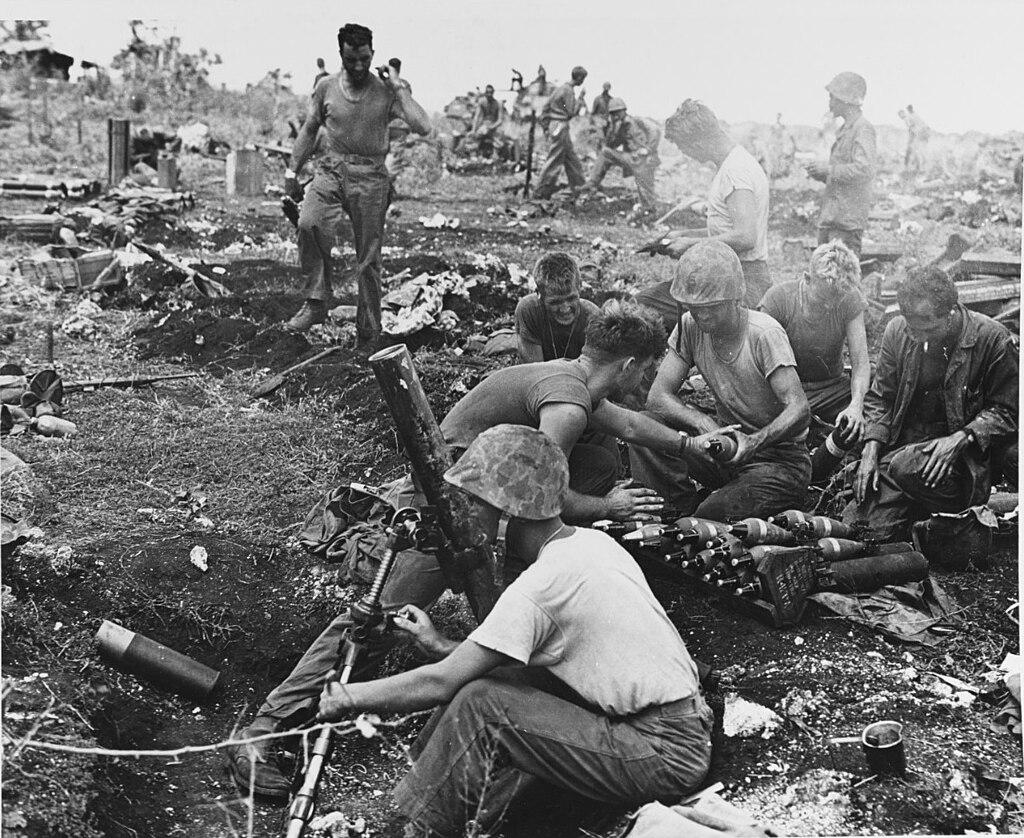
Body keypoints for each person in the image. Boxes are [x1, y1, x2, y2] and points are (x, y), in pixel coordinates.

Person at [228, 303, 704, 797]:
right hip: (455, 504)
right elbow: (538, 488)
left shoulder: (572, 381)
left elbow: (628, 426)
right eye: (649, 369)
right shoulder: (568, 403)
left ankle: (552, 703)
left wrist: (691, 447)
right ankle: (267, 732)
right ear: (628, 365)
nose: (651, 379)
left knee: (531, 594)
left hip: (479, 500)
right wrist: (608, 505)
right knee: (380, 616)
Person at [317, 424, 714, 838]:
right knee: (488, 687)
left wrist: (347, 696)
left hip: (662, 753)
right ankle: (420, 803)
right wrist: (437, 644)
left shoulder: (542, 584)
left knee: (484, 706)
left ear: (509, 510)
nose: (468, 513)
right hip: (678, 727)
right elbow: (526, 666)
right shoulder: (592, 545)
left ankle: (415, 829)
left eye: (475, 502)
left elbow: (441, 684)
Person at [630, 241, 811, 518]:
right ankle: (675, 510)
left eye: (711, 307)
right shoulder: (691, 325)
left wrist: (755, 442)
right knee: (647, 427)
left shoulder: (763, 334)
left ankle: (704, 514)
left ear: (735, 299)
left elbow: (799, 409)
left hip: (779, 460)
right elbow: (658, 397)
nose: (701, 315)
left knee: (712, 514)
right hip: (724, 447)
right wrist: (701, 422)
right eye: (693, 306)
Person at [841, 267, 1017, 541]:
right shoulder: (899, 331)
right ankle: (922, 506)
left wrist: (962, 438)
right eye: (912, 327)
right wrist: (871, 450)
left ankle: (952, 508)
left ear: (951, 313)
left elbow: (1009, 412)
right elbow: (881, 398)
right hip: (905, 449)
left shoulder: (993, 339)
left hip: (962, 459)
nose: (918, 337)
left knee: (904, 468)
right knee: (860, 528)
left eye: (928, 329)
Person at [283, 24, 431, 347]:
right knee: (309, 223)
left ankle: (368, 333)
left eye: (364, 58)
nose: (359, 66)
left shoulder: (387, 91)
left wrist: (399, 87)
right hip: (331, 168)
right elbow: (309, 130)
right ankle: (316, 301)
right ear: (341, 55)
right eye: (352, 60)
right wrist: (292, 172)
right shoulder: (325, 88)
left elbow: (423, 126)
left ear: (372, 54)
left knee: (368, 257)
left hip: (371, 176)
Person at [636, 99, 771, 324]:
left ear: (697, 143)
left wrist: (689, 245)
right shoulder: (733, 163)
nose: (686, 154)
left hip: (742, 282)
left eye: (683, 147)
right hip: (730, 276)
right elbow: (728, 229)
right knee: (646, 303)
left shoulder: (736, 171)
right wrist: (684, 236)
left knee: (641, 309)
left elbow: (746, 237)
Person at [758, 240, 870, 442]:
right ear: (807, 279)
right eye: (822, 300)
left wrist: (856, 405)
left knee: (873, 398)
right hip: (785, 394)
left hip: (831, 389)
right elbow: (759, 364)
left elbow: (861, 364)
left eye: (835, 300)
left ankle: (811, 423)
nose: (829, 307)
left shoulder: (849, 298)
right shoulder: (778, 300)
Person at [805, 72, 876, 257]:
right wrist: (822, 174)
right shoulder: (845, 130)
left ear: (846, 100)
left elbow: (865, 169)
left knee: (841, 280)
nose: (830, 103)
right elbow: (843, 175)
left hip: (846, 223)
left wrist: (828, 170)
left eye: (833, 97)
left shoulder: (863, 129)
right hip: (832, 219)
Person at [515, 251, 600, 362]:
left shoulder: (592, 317)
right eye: (555, 302)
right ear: (539, 293)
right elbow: (535, 371)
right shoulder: (529, 311)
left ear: (579, 287)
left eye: (571, 299)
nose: (565, 309)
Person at [583, 98, 661, 215]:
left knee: (645, 191)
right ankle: (592, 184)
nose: (615, 115)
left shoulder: (637, 120)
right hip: (633, 160)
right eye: (613, 114)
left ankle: (649, 212)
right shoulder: (620, 128)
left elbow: (655, 130)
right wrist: (610, 127)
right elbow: (611, 145)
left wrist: (648, 149)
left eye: (617, 112)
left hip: (645, 160)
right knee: (606, 153)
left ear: (624, 110)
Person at [532, 65, 588, 200]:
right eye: (583, 79)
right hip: (560, 126)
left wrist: (546, 127)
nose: (582, 82)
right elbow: (571, 112)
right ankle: (540, 192)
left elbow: (546, 108)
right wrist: (580, 99)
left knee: (571, 159)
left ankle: (580, 187)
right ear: (579, 77)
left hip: (555, 125)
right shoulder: (568, 91)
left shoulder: (559, 89)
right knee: (554, 160)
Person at [471, 84, 504, 157]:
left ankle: (496, 154)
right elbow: (477, 116)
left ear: (493, 93)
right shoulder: (482, 102)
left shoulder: (498, 104)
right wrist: (473, 129)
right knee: (476, 135)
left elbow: (500, 120)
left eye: (491, 92)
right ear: (485, 92)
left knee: (499, 135)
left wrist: (492, 127)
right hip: (484, 125)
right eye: (487, 92)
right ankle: (473, 156)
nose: (489, 94)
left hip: (494, 125)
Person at [899, 104, 930, 181]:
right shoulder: (913, 116)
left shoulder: (909, 118)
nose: (901, 116)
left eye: (901, 114)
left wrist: (912, 140)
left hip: (919, 136)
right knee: (916, 152)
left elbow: (913, 129)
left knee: (914, 152)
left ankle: (916, 168)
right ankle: (917, 168)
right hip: (921, 136)